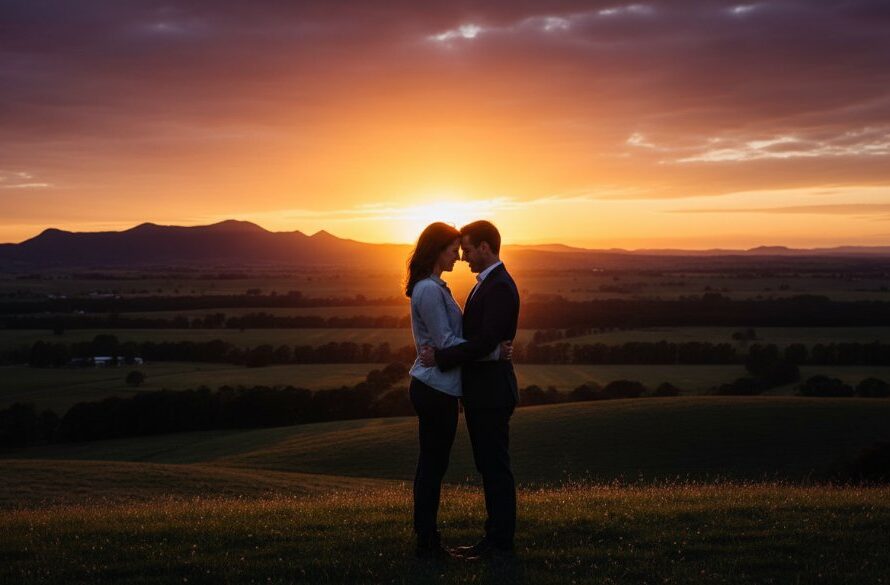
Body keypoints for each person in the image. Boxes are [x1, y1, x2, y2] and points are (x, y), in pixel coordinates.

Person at [405, 222, 512, 560]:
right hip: (435, 388)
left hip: (443, 388)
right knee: (432, 466)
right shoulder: (428, 290)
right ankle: (427, 542)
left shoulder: (438, 288)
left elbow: (450, 343)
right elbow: (446, 342)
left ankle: (431, 539)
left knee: (435, 464)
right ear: (438, 251)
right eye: (454, 250)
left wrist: (479, 352)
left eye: (462, 249)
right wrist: (494, 352)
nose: (459, 256)